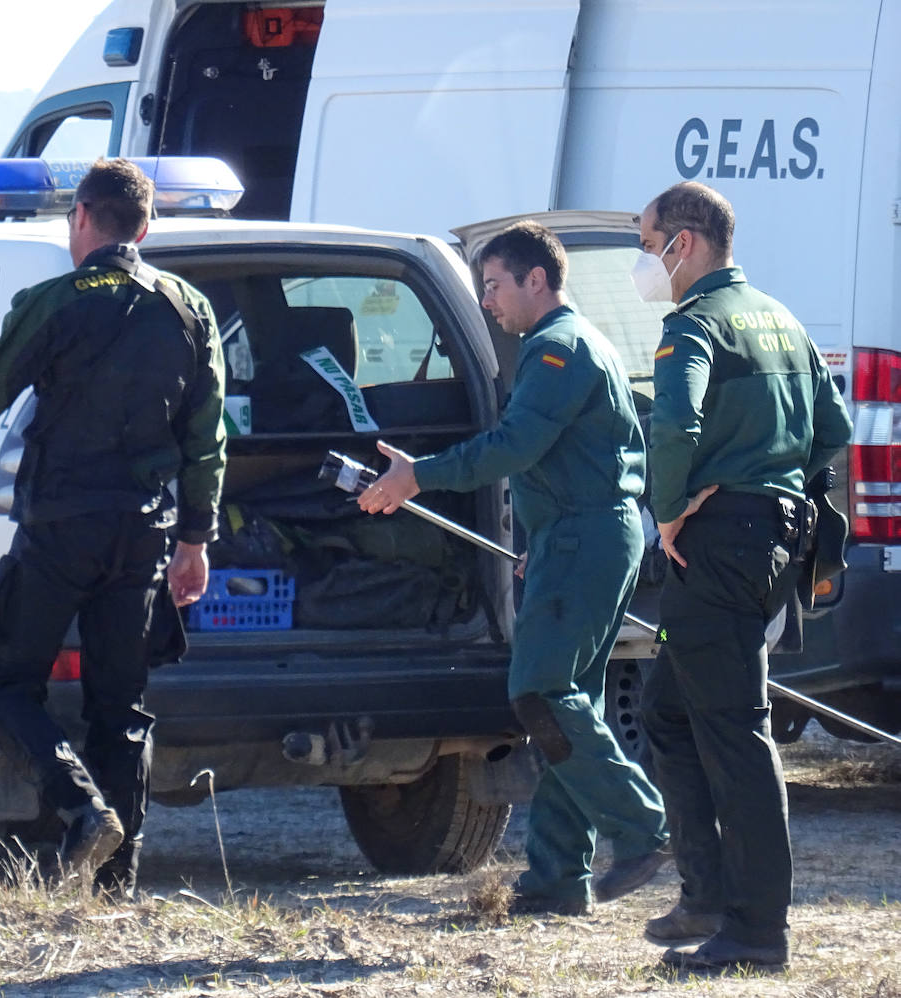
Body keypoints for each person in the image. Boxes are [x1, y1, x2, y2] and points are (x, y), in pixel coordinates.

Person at [0, 158, 226, 898]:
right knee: (121, 709)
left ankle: (82, 811)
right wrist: (196, 541)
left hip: (61, 528)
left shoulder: (54, 300)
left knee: (2, 683)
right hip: (144, 534)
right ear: (145, 228)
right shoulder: (188, 307)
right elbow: (208, 436)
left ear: (83, 217)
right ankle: (116, 887)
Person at [358, 220, 668, 916]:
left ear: (537, 280)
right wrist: (551, 532)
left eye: (494, 286)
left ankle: (644, 824)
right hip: (577, 536)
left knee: (541, 691)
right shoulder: (571, 344)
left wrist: (420, 476)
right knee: (566, 702)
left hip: (584, 539)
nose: (488, 302)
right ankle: (559, 877)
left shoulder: (557, 348)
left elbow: (514, 444)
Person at [634, 182, 852, 970]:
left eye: (644, 240)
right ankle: (708, 893)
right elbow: (836, 429)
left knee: (735, 731)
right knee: (667, 710)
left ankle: (757, 929)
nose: (642, 259)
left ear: (681, 243)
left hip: (716, 544)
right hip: (772, 541)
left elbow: (674, 422)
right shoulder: (781, 318)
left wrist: (668, 510)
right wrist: (772, 479)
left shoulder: (692, 325)